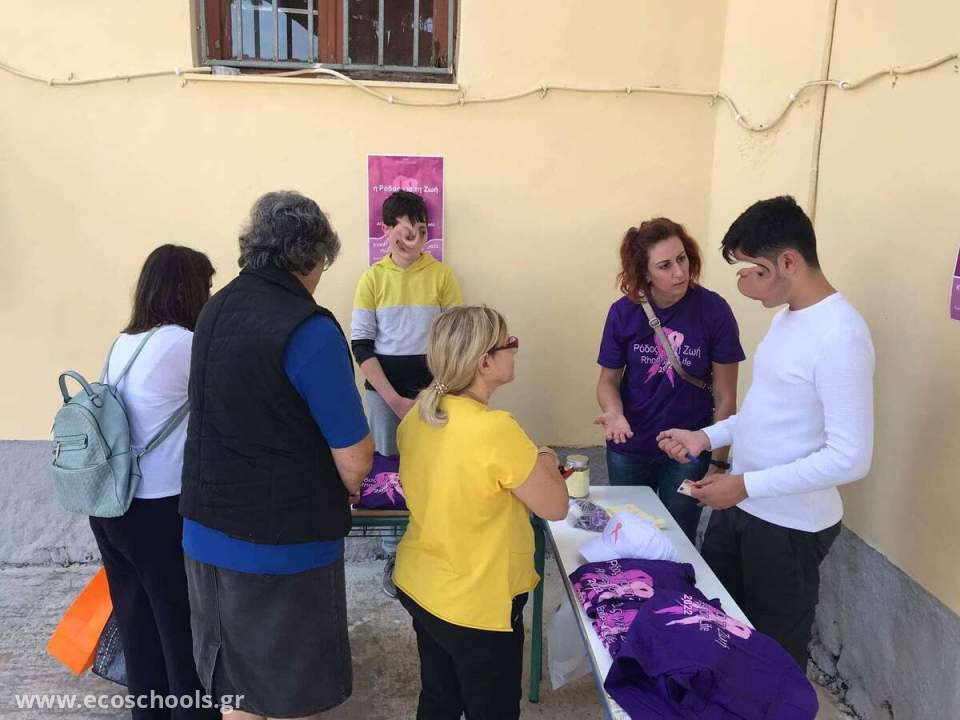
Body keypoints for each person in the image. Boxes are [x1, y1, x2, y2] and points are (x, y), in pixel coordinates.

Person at [658, 196, 875, 669]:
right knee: (717, 631)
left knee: (772, 662)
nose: (744, 284)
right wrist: (705, 437)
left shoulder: (840, 336)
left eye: (753, 271)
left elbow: (851, 457)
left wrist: (745, 485)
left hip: (789, 528)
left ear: (789, 262)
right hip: (741, 509)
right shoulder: (786, 318)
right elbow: (764, 412)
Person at [180, 191, 373, 720]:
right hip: (281, 545)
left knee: (235, 693)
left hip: (204, 532)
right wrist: (350, 487)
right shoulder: (308, 328)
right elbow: (355, 455)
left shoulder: (215, 309)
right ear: (311, 257)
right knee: (289, 697)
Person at [393, 305, 568, 720]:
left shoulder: (418, 416)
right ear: (484, 361)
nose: (515, 350)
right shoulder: (495, 429)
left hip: (424, 586)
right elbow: (556, 506)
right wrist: (545, 456)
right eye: (510, 343)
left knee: (438, 700)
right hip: (477, 604)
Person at [90, 244, 217, 719]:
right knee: (181, 630)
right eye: (206, 287)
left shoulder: (123, 342)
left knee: (138, 627)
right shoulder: (183, 345)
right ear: (186, 290)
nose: (209, 297)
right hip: (158, 509)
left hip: (111, 506)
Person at [595, 218, 745, 541]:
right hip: (630, 447)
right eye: (665, 265)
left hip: (687, 451)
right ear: (644, 272)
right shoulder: (624, 312)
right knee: (630, 535)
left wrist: (717, 464)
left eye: (682, 258)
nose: (679, 272)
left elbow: (725, 397)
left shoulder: (714, 311)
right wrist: (614, 413)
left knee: (678, 539)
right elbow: (608, 380)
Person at [350, 190, 462, 597]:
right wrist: (395, 400)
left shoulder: (442, 276)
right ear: (385, 230)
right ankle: (394, 555)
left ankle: (430, 547)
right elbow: (361, 345)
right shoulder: (372, 279)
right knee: (388, 470)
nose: (411, 233)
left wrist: (436, 392)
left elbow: (456, 342)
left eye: (418, 226)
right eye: (402, 226)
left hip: (435, 391)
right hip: (383, 395)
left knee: (435, 465)